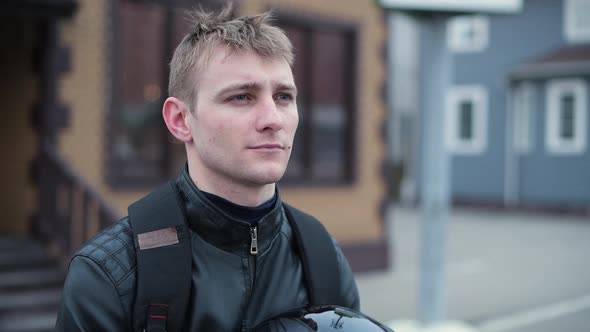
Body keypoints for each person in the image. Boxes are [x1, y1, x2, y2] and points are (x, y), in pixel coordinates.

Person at [55, 4, 359, 332]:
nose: (273, 119)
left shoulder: (321, 258)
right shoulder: (111, 274)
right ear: (180, 120)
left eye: (284, 96)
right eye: (241, 97)